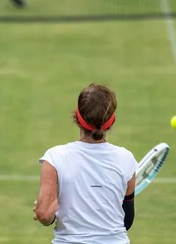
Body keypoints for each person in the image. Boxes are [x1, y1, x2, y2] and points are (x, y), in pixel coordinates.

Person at [33, 84, 137, 244]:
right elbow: (126, 220)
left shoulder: (54, 158)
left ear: (77, 116)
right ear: (111, 121)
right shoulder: (127, 159)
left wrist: (46, 209)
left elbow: (45, 215)